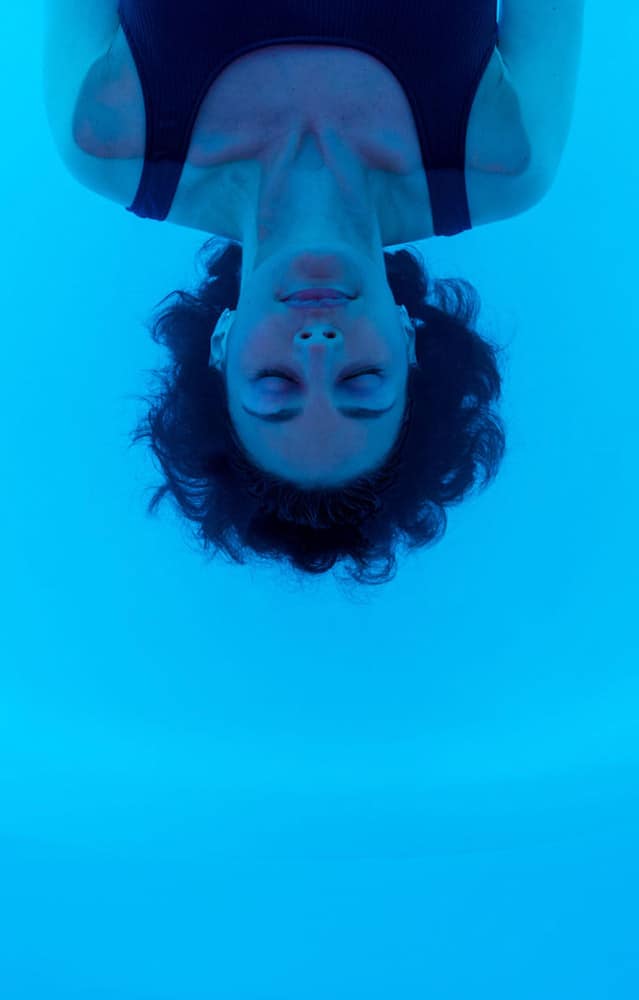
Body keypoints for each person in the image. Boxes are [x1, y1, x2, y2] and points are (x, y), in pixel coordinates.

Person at [44, 0, 585, 586]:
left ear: (221, 346)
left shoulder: (106, 138)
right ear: (407, 343)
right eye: (362, 381)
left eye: (276, 384)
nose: (320, 346)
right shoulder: (506, 159)